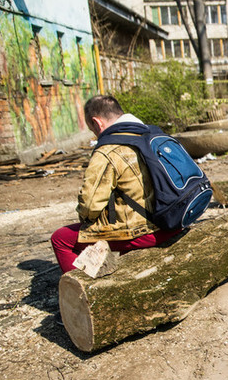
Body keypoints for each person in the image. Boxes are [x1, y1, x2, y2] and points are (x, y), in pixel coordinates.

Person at [51, 95, 182, 275]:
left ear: (97, 123)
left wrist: (87, 221)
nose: (95, 134)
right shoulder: (152, 134)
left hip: (149, 231)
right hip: (176, 219)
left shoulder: (108, 150)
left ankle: (86, 292)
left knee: (60, 238)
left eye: (92, 130)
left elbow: (90, 206)